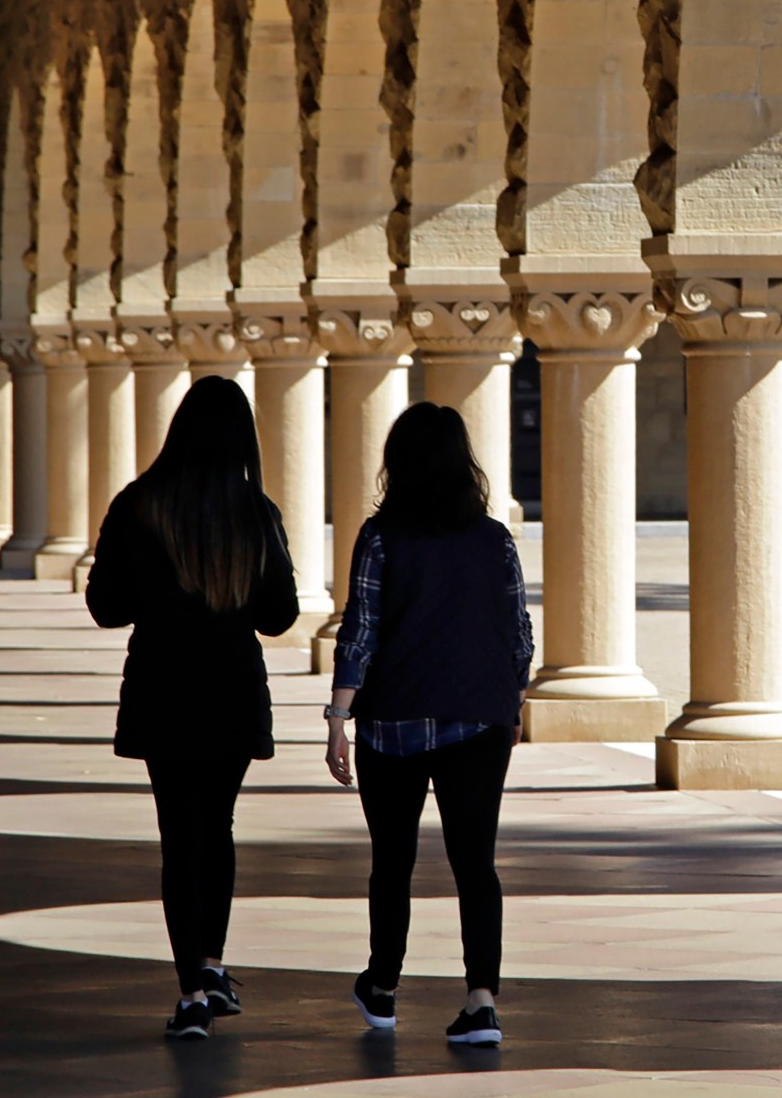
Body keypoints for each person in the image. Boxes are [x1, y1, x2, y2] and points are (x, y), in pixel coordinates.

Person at [83, 376, 301, 1041]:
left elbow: (106, 607)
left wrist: (159, 597)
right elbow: (280, 615)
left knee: (179, 838)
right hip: (232, 686)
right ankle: (212, 965)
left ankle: (189, 994)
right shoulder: (255, 512)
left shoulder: (139, 504)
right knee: (220, 825)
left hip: (163, 684)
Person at [326, 402, 533, 1048]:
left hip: (393, 723)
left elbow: (361, 630)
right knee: (477, 862)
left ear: (398, 463)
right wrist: (513, 699)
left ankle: (383, 987)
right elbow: (519, 634)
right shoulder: (493, 539)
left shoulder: (381, 537)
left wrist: (338, 716)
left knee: (393, 862)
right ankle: (480, 1001)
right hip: (479, 718)